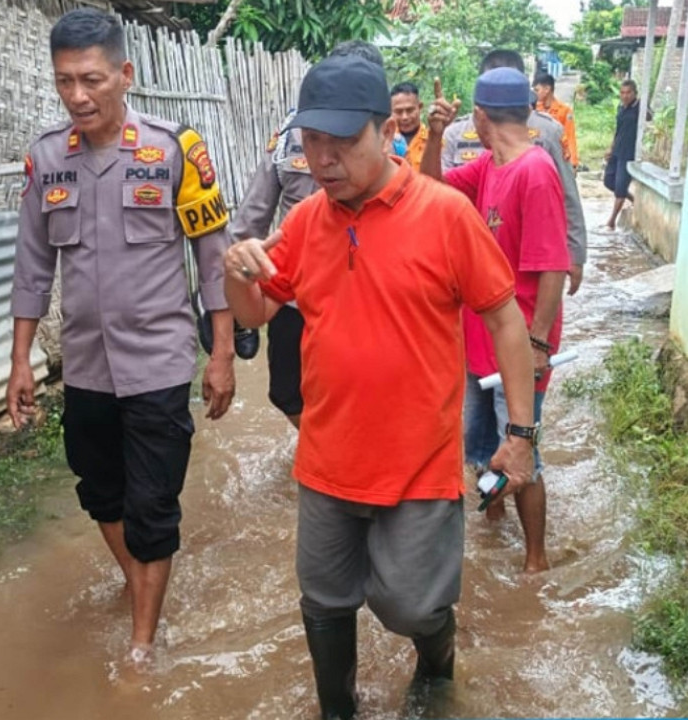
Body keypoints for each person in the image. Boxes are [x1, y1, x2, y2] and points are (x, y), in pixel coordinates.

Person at [225, 54, 535, 719]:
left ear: (382, 131)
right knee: (324, 601)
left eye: (342, 141)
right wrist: (237, 270)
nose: (325, 157)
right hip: (326, 461)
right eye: (312, 142)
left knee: (411, 605)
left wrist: (520, 433)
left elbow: (506, 318)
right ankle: (338, 710)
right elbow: (255, 313)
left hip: (418, 464)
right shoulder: (306, 222)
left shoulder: (445, 214)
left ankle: (437, 656)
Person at [6, 8, 236, 665]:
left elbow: (211, 257)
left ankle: (141, 644)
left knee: (152, 505)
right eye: (64, 82)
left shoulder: (173, 150)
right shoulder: (47, 159)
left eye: (92, 80)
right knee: (98, 490)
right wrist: (21, 359)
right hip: (85, 368)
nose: (78, 96)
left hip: (160, 365)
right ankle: (142, 582)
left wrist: (220, 354)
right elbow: (32, 266)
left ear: (125, 75)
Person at [423, 68, 570, 574]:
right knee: (483, 446)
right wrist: (436, 136)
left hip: (519, 343)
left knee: (522, 448)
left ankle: (536, 560)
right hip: (478, 338)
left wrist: (537, 343)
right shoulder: (490, 165)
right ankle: (493, 525)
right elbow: (430, 186)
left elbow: (553, 265)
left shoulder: (535, 170)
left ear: (481, 118)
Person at [230, 40, 386, 429]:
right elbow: (254, 213)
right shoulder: (289, 134)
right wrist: (239, 271)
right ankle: (323, 445)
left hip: (369, 290)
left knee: (372, 388)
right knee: (287, 393)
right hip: (296, 291)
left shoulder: (383, 134)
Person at [442, 50, 587, 296]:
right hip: (475, 257)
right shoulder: (456, 132)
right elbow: (439, 189)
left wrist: (575, 253)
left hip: (523, 259)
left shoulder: (547, 134)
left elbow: (567, 193)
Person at [604, 79, 650, 231]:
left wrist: (645, 108)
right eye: (622, 93)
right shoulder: (621, 108)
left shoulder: (639, 108)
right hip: (617, 151)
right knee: (608, 181)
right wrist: (610, 148)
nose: (625, 96)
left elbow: (650, 118)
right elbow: (618, 130)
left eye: (628, 93)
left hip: (629, 154)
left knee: (620, 187)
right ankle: (634, 200)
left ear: (634, 93)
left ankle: (611, 221)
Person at [533, 73, 579, 169]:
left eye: (537, 90)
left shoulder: (564, 111)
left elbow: (570, 137)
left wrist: (573, 163)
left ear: (547, 89)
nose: (535, 93)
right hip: (537, 156)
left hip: (556, 155)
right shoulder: (535, 110)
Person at [390, 82, 429, 170]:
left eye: (410, 110)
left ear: (420, 107)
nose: (405, 117)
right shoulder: (386, 142)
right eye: (399, 112)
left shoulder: (434, 142)